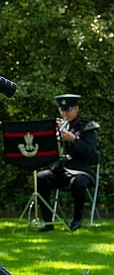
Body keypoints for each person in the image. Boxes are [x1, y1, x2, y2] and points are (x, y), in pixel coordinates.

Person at [36, 94, 99, 232]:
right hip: (61, 170)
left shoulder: (87, 127)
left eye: (69, 110)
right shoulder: (57, 127)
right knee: (40, 178)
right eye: (62, 110)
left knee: (78, 182)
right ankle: (48, 222)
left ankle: (77, 220)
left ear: (76, 109)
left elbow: (93, 156)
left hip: (81, 171)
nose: (65, 113)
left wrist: (74, 140)